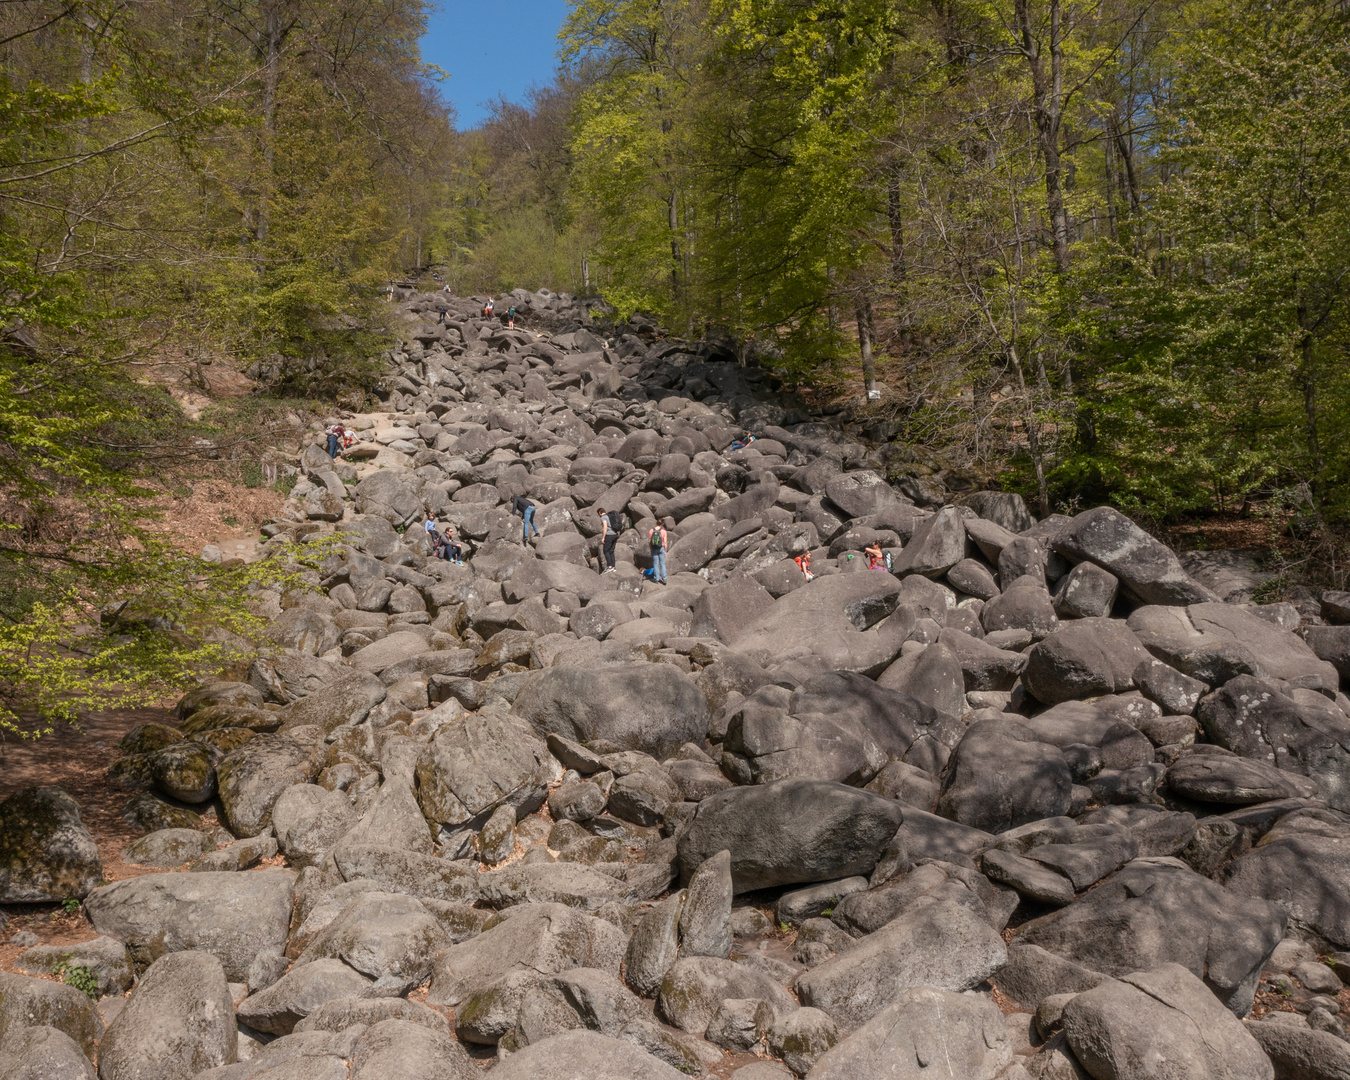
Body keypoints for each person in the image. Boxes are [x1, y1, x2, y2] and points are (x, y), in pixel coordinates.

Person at [598, 506, 621, 572]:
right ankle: (613, 567)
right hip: (615, 535)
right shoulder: (610, 516)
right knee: (611, 551)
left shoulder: (603, 517)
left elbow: (605, 527)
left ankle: (609, 567)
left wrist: (603, 537)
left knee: (606, 551)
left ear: (600, 512)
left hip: (609, 535)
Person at [647, 518, 669, 585]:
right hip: (661, 548)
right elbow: (665, 542)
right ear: (662, 524)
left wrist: (650, 549)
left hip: (654, 548)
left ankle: (656, 578)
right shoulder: (664, 531)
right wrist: (665, 551)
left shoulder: (651, 530)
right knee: (662, 564)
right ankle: (664, 579)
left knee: (655, 564)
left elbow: (649, 541)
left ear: (656, 523)